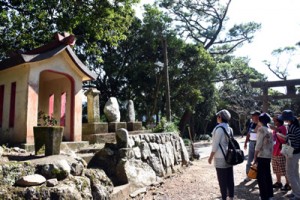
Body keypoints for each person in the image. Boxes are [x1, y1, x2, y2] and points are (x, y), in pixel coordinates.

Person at [208, 109, 234, 200]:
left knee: (222, 179)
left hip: (220, 157)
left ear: (220, 117)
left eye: (217, 116)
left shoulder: (219, 129)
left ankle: (224, 197)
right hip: (229, 156)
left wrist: (210, 157)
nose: (217, 118)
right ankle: (231, 196)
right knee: (229, 177)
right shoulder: (229, 128)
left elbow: (215, 145)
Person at [278, 110, 300, 200]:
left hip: (292, 152)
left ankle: (297, 194)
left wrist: (280, 135)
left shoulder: (291, 127)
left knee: (290, 173)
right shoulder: (296, 126)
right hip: (297, 152)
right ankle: (296, 192)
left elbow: (289, 141)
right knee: (295, 173)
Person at [253, 112, 274, 200]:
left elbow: (258, 144)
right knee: (267, 175)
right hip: (268, 155)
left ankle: (263, 196)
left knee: (260, 177)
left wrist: (255, 157)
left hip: (261, 155)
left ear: (260, 120)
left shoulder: (261, 129)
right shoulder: (270, 130)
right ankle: (270, 195)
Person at [269, 115, 291, 191]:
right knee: (276, 169)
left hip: (281, 152)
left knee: (284, 169)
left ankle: (288, 184)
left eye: (276, 121)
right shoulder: (276, 129)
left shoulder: (283, 127)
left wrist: (273, 127)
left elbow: (282, 135)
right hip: (275, 151)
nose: (274, 122)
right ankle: (278, 182)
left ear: (279, 121)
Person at [244, 110, 261, 181]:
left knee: (258, 161)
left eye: (254, 115)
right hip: (251, 143)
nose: (252, 117)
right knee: (249, 161)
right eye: (252, 115)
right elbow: (248, 134)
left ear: (258, 116)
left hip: (258, 144)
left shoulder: (261, 125)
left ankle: (258, 176)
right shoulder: (251, 124)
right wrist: (245, 142)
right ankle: (248, 176)